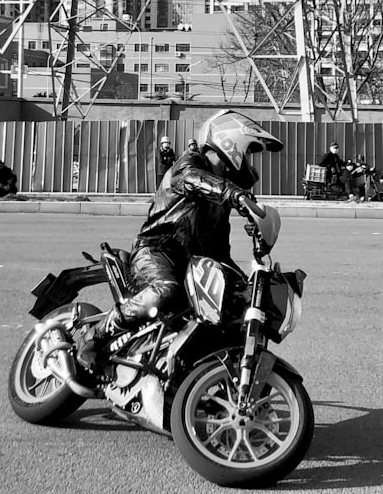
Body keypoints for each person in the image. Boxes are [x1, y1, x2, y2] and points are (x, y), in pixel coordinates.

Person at [79, 110, 282, 371]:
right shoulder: (189, 166)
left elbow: (219, 254)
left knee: (228, 308)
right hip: (155, 250)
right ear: (230, 141)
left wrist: (245, 286)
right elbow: (197, 182)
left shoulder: (218, 206)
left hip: (189, 266)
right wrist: (236, 196)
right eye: (249, 152)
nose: (249, 163)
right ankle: (95, 336)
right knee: (167, 290)